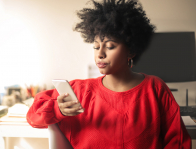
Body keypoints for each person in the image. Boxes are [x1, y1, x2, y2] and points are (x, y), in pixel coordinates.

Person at [26, 0, 192, 148]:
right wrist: (57, 109)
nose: (100, 54)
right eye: (96, 47)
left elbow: (177, 142)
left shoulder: (155, 88)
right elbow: (33, 116)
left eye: (110, 46)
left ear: (131, 50)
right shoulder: (79, 91)